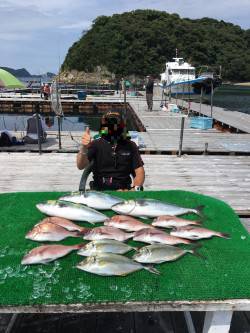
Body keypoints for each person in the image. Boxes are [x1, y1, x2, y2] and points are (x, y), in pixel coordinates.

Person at [76, 111, 145, 191]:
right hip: (99, 190)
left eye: (116, 123)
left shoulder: (130, 145)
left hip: (123, 190)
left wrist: (135, 188)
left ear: (122, 126)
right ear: (103, 127)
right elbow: (80, 165)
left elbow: (139, 171)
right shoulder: (95, 144)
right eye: (108, 124)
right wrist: (84, 147)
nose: (112, 127)